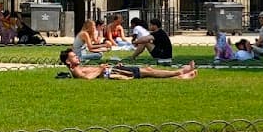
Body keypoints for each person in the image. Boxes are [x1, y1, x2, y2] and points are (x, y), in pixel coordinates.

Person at [59, 49, 197, 80]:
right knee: (147, 71)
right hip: (111, 73)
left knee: (147, 72)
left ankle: (180, 75)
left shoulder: (80, 67)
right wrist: (100, 69)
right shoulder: (76, 71)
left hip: (113, 70)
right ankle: (179, 73)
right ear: (68, 61)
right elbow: (87, 79)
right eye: (74, 56)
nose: (77, 57)